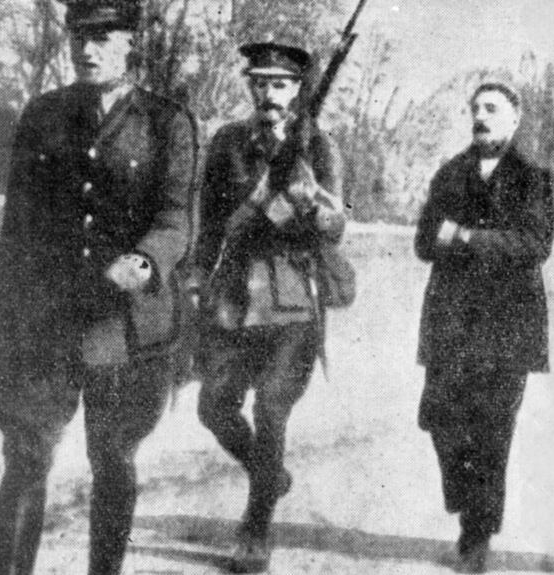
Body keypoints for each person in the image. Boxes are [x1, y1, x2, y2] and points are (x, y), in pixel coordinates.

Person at [0, 1, 197, 573]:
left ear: (132, 41)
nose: (87, 49)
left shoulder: (166, 122)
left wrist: (145, 259)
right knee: (26, 455)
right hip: (48, 319)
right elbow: (17, 227)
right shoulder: (43, 114)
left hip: (122, 322)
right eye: (79, 36)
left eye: (104, 36)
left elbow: (177, 219)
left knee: (112, 459)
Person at [193, 39, 348, 573]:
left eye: (279, 84)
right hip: (235, 295)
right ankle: (271, 476)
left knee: (271, 411)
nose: (268, 94)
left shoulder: (319, 146)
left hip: (291, 297)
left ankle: (256, 530)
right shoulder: (228, 143)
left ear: (298, 90)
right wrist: (197, 275)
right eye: (258, 83)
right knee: (214, 408)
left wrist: (311, 203)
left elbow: (337, 226)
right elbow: (212, 222)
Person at [415, 82, 554, 574]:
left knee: (492, 432)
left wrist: (466, 236)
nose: (481, 116)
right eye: (476, 108)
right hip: (451, 320)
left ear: (514, 119)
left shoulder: (532, 178)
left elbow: (535, 245)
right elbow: (424, 242)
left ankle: (477, 535)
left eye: (492, 109)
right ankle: (465, 499)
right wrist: (465, 238)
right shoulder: (450, 173)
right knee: (438, 416)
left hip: (508, 325)